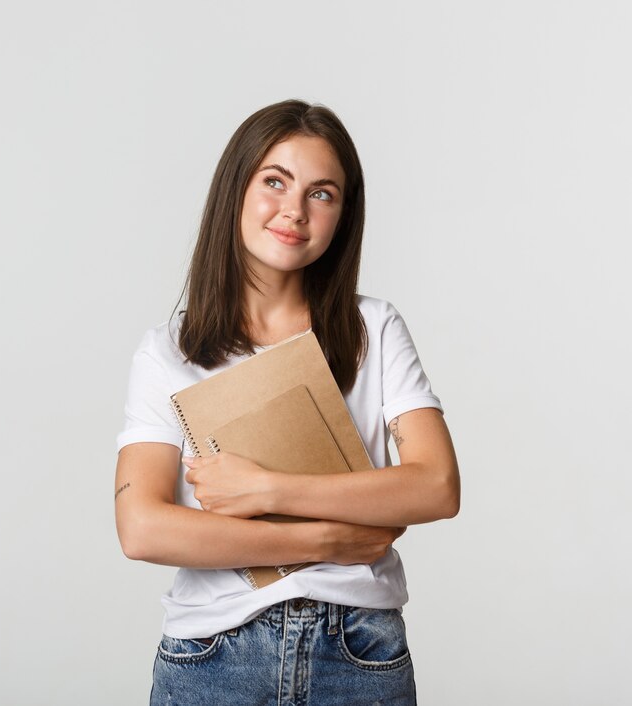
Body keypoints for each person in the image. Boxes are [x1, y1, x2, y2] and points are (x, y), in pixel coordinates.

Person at [114, 99, 460, 705]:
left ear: (342, 216)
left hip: (359, 653)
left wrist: (268, 490)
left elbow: (435, 487)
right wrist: (324, 541)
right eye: (275, 182)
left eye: (322, 193)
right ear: (236, 189)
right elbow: (142, 528)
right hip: (214, 656)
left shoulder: (372, 330)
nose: (295, 211)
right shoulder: (167, 353)